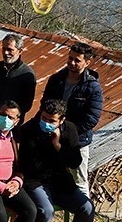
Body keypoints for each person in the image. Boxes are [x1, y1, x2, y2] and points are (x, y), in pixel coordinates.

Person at [20, 98, 95, 222]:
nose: (46, 122)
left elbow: (75, 161)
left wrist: (58, 145)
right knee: (46, 211)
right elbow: (30, 164)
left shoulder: (70, 130)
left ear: (62, 120)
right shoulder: (29, 130)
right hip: (36, 180)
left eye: (51, 120)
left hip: (60, 180)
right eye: (44, 118)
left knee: (86, 207)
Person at [39, 42, 103, 198]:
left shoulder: (93, 88)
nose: (72, 63)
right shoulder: (56, 79)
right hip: (50, 135)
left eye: (77, 60)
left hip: (78, 142)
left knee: (79, 180)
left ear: (87, 62)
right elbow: (45, 104)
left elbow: (91, 119)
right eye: (70, 58)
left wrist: (66, 132)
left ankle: (84, 213)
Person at [0, 34, 37, 121]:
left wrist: (8, 115)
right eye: (4, 49)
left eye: (10, 50)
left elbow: (26, 104)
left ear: (20, 51)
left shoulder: (27, 74)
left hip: (12, 123)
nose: (6, 53)